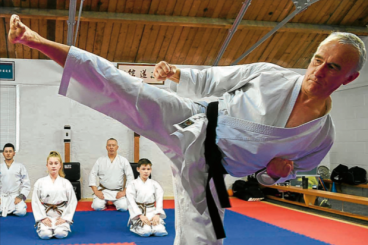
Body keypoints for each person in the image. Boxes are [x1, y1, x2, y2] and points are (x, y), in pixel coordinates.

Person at [8, 14, 366, 245]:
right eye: (317, 60)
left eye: (333, 68)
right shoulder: (271, 75)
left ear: (351, 78)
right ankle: (35, 40)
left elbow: (282, 180)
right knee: (125, 87)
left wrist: (271, 177)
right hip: (193, 121)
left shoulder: (321, 136)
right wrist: (178, 74)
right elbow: (216, 78)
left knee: (206, 238)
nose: (319, 71)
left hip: (211, 172)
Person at [32, 151, 78, 239]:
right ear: (47, 165)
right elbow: (35, 201)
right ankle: (44, 225)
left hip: (61, 214)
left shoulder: (66, 183)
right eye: (51, 163)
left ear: (60, 165)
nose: (53, 166)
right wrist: (43, 218)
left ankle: (61, 225)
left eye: (56, 163)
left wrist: (65, 218)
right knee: (45, 235)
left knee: (60, 234)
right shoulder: (40, 182)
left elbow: (72, 201)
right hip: (46, 214)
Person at [89, 138, 134, 211]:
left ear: (117, 147)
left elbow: (130, 176)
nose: (111, 147)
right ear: (106, 147)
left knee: (123, 208)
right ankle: (104, 203)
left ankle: (114, 202)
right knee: (97, 207)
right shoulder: (100, 160)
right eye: (109, 145)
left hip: (117, 191)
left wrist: (124, 192)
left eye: (113, 145)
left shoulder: (123, 160)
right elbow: (92, 175)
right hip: (103, 191)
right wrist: (96, 191)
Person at [126, 158, 168, 237]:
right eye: (143, 169)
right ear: (138, 169)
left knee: (160, 231)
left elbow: (159, 200)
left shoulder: (155, 184)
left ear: (151, 170)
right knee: (146, 232)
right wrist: (140, 216)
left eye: (148, 169)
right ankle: (134, 226)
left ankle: (153, 226)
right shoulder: (132, 184)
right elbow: (131, 202)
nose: (146, 171)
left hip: (152, 212)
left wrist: (157, 214)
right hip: (139, 213)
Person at [0, 143, 30, 217]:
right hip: (1, 196)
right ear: (3, 153)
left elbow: (26, 184)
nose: (8, 153)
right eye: (6, 151)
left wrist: (20, 197)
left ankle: (5, 210)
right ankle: (7, 210)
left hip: (15, 196)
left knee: (22, 212)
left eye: (10, 151)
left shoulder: (20, 167)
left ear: (14, 153)